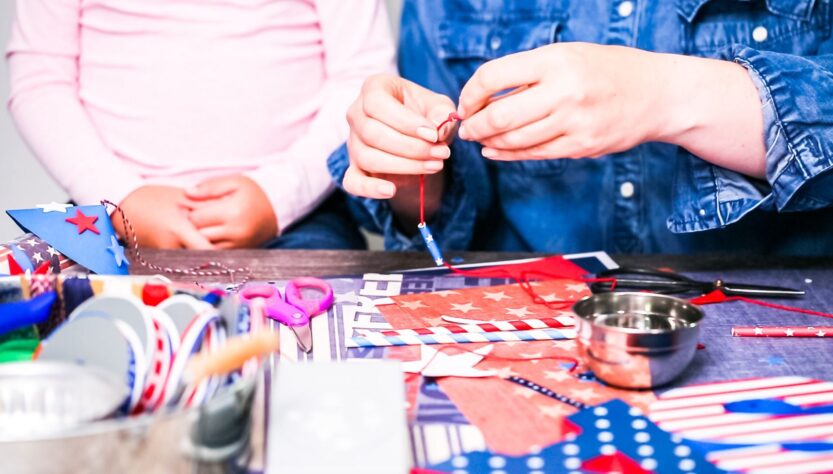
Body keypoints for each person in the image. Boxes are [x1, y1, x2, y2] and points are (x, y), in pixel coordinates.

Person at [330, 0, 833, 255]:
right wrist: (403, 160)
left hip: (785, 311)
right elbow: (447, 192)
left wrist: (665, 94)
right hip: (534, 319)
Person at [8, 0, 394, 250]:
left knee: (320, 346)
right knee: (52, 328)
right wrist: (120, 197)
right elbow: (40, 82)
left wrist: (277, 196)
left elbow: (363, 81)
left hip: (297, 216)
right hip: (105, 209)